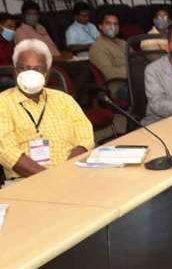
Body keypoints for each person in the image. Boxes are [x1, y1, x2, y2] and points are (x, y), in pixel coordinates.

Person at [0, 39, 93, 181]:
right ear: (14, 71)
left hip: (72, 173)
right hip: (27, 181)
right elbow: (7, 152)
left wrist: (68, 171)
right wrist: (52, 179)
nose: (30, 74)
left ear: (47, 73)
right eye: (24, 68)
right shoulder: (3, 103)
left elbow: (84, 137)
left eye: (37, 69)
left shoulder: (64, 99)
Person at [89, 13, 127, 81]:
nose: (113, 27)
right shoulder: (97, 47)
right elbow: (110, 73)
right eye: (108, 23)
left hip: (135, 78)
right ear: (100, 26)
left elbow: (137, 59)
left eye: (115, 24)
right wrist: (134, 71)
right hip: (119, 83)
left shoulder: (123, 42)